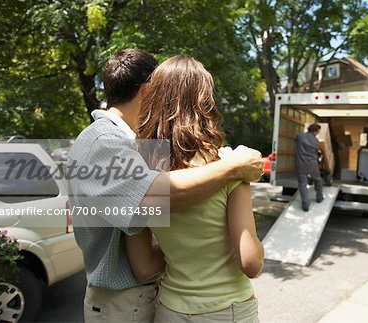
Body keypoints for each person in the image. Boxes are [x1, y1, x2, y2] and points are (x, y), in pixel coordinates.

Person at [67, 49, 263, 323]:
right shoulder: (107, 143)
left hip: (161, 305)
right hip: (124, 305)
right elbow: (151, 195)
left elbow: (144, 257)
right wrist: (233, 167)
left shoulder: (143, 156)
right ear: (149, 91)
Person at [136, 55, 264, 323]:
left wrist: (181, 252)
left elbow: (143, 266)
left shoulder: (143, 170)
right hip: (226, 309)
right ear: (204, 103)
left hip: (170, 310)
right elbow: (250, 263)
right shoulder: (231, 165)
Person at [295, 123, 324, 211]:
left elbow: (295, 139)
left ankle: (306, 205)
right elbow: (317, 151)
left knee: (302, 184)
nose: (318, 133)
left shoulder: (300, 136)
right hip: (312, 164)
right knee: (317, 179)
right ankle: (319, 197)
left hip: (301, 164)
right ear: (315, 131)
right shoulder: (316, 141)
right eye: (318, 132)